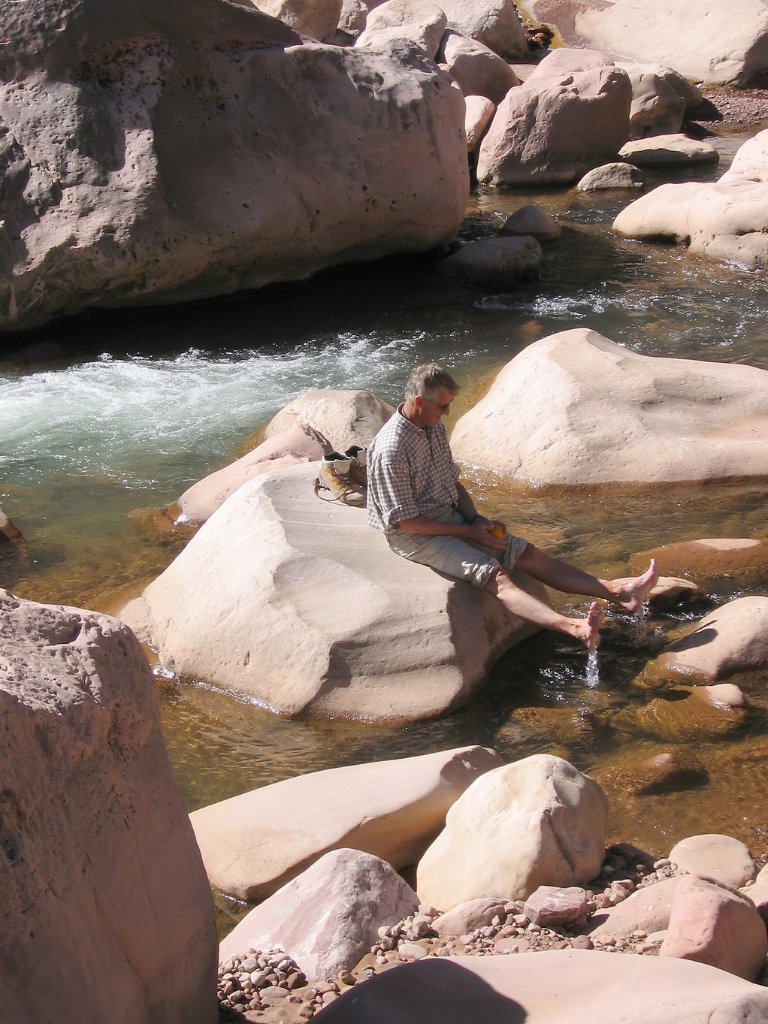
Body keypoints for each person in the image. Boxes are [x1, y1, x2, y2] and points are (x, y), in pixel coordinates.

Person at [366, 362, 658, 649]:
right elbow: (407, 522)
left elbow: (452, 484)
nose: (447, 413)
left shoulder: (433, 428)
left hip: (449, 516)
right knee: (495, 574)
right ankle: (576, 628)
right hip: (415, 536)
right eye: (443, 407)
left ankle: (620, 592)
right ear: (419, 402)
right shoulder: (392, 449)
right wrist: (470, 534)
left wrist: (476, 520)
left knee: (526, 553)